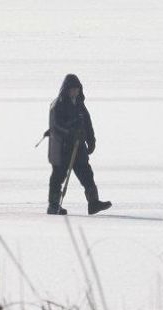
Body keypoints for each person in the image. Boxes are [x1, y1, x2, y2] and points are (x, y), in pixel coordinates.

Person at [46, 74, 112, 216]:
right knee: (58, 176)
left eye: (77, 89)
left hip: (78, 147)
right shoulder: (58, 104)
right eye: (72, 89)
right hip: (62, 148)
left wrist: (91, 140)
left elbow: (87, 123)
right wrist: (70, 131)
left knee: (87, 174)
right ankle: (53, 206)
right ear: (66, 89)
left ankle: (93, 203)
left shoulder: (80, 104)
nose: (75, 92)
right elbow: (56, 125)